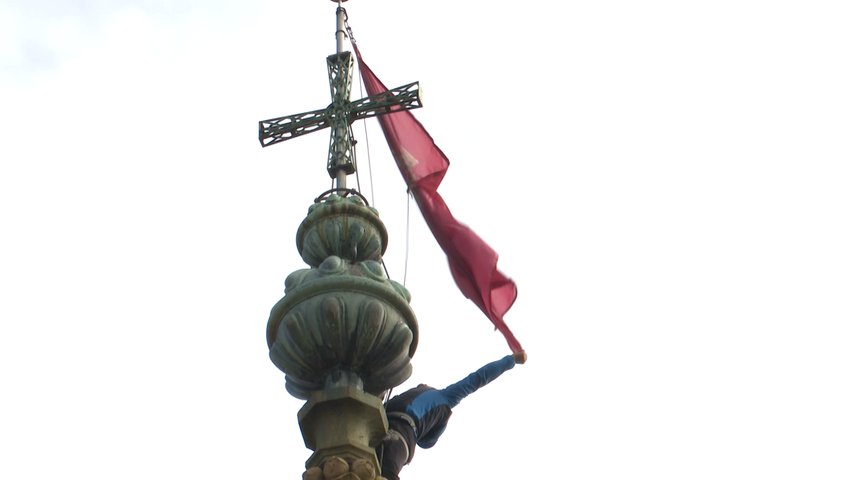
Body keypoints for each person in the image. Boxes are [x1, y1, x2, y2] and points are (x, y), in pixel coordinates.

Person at [377, 350, 527, 480]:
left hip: (374, 423)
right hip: (400, 437)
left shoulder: (403, 397)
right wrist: (512, 360)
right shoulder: (446, 398)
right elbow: (479, 378)